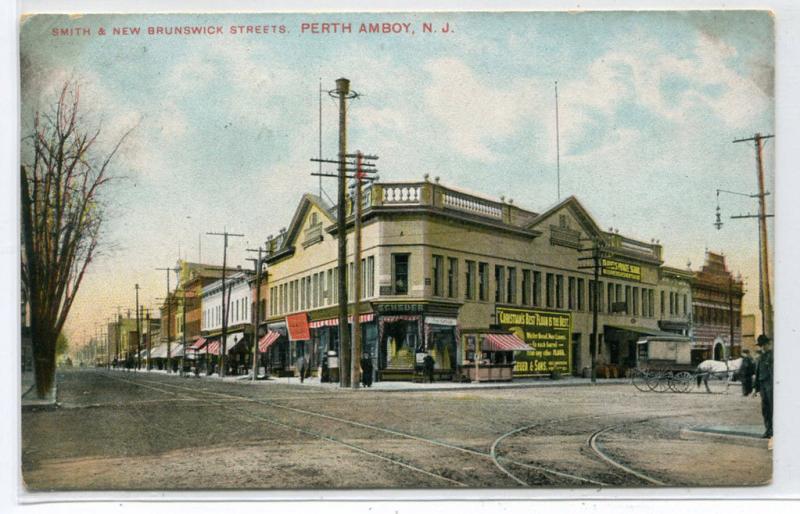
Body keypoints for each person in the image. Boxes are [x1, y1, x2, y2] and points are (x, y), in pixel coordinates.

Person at [753, 335, 773, 439]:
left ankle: (775, 431)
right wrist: (755, 389)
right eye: (760, 346)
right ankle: (768, 430)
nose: (762, 347)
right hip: (762, 386)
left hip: (771, 384)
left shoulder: (773, 356)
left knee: (773, 408)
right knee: (765, 409)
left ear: (768, 344)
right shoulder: (760, 357)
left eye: (763, 345)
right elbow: (757, 373)